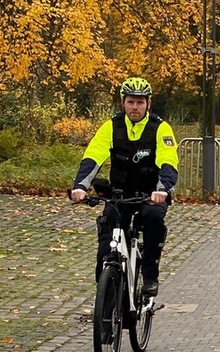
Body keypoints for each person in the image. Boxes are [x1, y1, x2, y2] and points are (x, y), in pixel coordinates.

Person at [70, 77, 179, 297]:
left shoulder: (160, 128)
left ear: (148, 103)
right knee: (107, 235)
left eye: (140, 102)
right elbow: (93, 156)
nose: (135, 107)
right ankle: (106, 294)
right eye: (131, 102)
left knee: (153, 219)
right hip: (119, 194)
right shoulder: (112, 126)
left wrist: (163, 190)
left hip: (150, 195)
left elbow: (168, 161)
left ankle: (150, 276)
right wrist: (80, 186)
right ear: (123, 102)